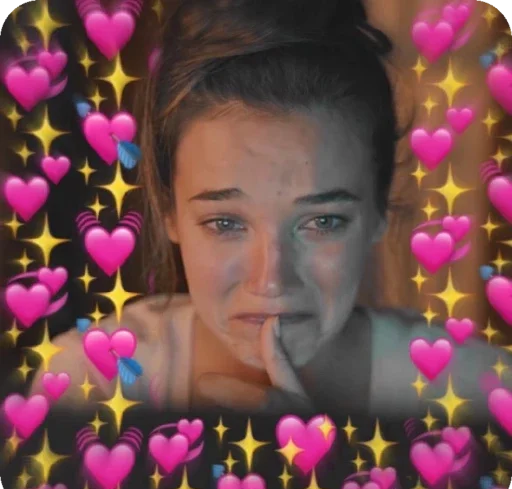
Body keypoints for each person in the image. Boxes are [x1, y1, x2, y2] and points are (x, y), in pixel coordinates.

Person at [30, 0, 511, 423]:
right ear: (169, 211)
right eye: (225, 223)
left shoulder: (481, 394)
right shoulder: (87, 384)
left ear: (378, 208)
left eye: (322, 222)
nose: (272, 281)